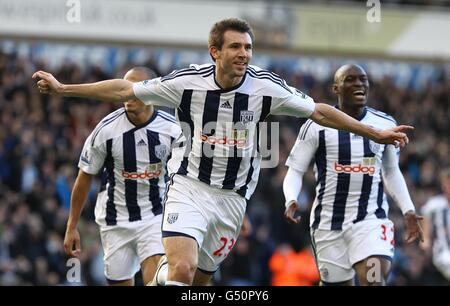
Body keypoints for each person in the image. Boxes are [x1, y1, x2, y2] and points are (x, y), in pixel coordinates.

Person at [34, 18, 413, 286]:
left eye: (248, 47)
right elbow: (124, 90)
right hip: (189, 188)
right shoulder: (186, 83)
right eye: (235, 47)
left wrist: (373, 132)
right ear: (215, 50)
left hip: (233, 200)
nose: (244, 54)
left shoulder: (266, 87)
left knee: (199, 278)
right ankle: (168, 274)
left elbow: (318, 110)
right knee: (183, 271)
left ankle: (159, 277)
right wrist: (64, 89)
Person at [283, 64, 423, 286]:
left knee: (373, 280)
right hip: (328, 224)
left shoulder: (385, 124)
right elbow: (296, 170)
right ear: (336, 88)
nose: (358, 83)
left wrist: (408, 209)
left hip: (371, 221)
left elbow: (391, 171)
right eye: (350, 79)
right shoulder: (315, 126)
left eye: (363, 79)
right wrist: (291, 197)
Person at [63, 67, 182, 286]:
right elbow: (84, 177)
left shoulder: (173, 130)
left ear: (152, 92)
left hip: (155, 216)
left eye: (133, 89)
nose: (126, 94)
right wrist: (72, 226)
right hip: (114, 220)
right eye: (123, 89)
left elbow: (187, 177)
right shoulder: (106, 131)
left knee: (154, 278)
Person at [421, 168, 450, 284]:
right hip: (443, 253)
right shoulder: (433, 205)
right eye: (447, 183)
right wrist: (425, 242)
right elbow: (425, 234)